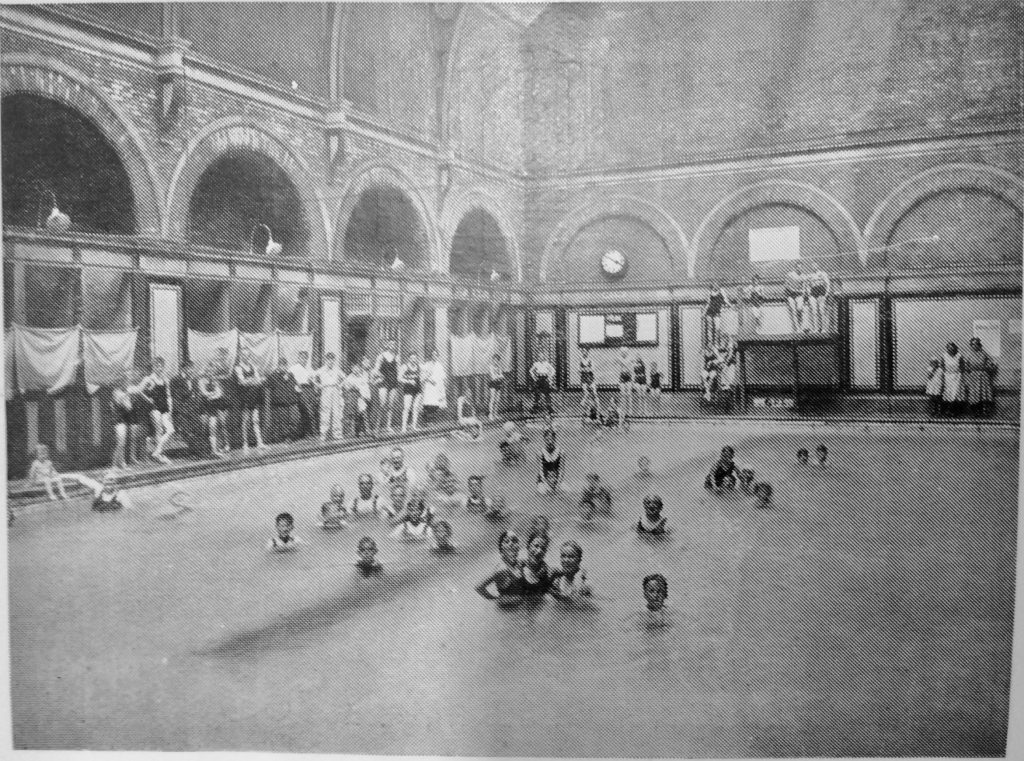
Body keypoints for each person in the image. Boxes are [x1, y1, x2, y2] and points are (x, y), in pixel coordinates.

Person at [141, 357, 175, 464]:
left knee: (170, 430)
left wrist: (170, 410)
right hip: (155, 408)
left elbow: (169, 396)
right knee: (158, 431)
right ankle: (159, 454)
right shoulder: (149, 379)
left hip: (164, 408)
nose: (159, 368)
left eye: (161, 366)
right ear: (154, 367)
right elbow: (139, 390)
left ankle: (157, 451)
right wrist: (148, 399)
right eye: (157, 366)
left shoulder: (165, 380)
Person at [475, 531, 524, 602]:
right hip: (509, 610)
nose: (511, 544)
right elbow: (479, 587)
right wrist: (496, 600)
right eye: (506, 541)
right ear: (501, 549)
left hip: (518, 608)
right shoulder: (502, 569)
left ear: (519, 546)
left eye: (514, 540)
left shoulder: (520, 563)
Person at [234, 349, 267, 454]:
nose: (246, 357)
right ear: (241, 356)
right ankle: (245, 443)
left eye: (248, 355)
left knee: (256, 420)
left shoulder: (253, 367)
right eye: (244, 355)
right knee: (246, 421)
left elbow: (259, 381)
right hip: (244, 397)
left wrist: (252, 380)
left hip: (254, 396)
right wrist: (254, 380)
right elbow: (242, 382)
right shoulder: (238, 367)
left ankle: (260, 442)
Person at [170, 360, 205, 457]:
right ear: (183, 369)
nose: (191, 371)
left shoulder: (194, 380)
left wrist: (197, 407)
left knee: (198, 429)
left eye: (192, 368)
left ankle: (198, 452)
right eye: (189, 369)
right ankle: (193, 452)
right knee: (187, 431)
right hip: (182, 411)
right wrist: (180, 412)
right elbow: (176, 398)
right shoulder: (175, 380)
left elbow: (197, 394)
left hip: (194, 409)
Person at [197, 359, 230, 458]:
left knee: (213, 427)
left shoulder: (215, 381)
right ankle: (204, 450)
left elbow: (219, 393)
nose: (211, 373)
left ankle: (214, 450)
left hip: (212, 407)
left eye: (212, 371)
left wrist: (211, 395)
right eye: (209, 371)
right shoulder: (201, 380)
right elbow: (204, 393)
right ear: (206, 371)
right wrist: (212, 394)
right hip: (203, 407)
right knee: (203, 428)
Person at [266, 357, 300, 443]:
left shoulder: (290, 375)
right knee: (284, 420)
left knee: (295, 418)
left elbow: (296, 384)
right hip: (281, 402)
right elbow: (267, 384)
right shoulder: (273, 376)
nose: (284, 367)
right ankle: (286, 437)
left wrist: (297, 388)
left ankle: (292, 435)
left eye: (285, 365)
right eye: (281, 365)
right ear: (278, 366)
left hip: (292, 400)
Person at [314, 352, 344, 443]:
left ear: (334, 360)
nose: (330, 361)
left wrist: (340, 385)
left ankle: (337, 433)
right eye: (328, 359)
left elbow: (344, 378)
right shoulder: (321, 370)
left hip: (335, 390)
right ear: (326, 360)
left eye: (332, 359)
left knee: (336, 412)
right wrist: (318, 385)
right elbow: (311, 377)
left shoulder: (337, 369)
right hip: (326, 390)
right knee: (325, 411)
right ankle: (323, 433)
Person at [372, 339, 401, 434]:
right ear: (387, 345)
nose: (392, 346)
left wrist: (400, 379)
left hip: (393, 383)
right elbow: (376, 369)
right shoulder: (381, 356)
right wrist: (379, 376)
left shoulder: (396, 357)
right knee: (382, 404)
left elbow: (398, 371)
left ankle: (388, 426)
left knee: (391, 405)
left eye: (394, 344)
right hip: (384, 382)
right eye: (391, 344)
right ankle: (377, 426)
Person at [963, 337, 997, 417]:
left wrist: (988, 367)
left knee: (983, 392)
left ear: (979, 345)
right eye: (973, 344)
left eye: (977, 344)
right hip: (973, 376)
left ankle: (984, 410)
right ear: (971, 345)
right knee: (975, 393)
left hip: (983, 375)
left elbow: (991, 362)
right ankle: (975, 411)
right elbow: (965, 365)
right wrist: (969, 370)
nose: (975, 346)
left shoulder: (984, 353)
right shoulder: (968, 354)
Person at [289, 350, 318, 439]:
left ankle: (308, 433)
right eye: (302, 358)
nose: (304, 360)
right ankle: (304, 434)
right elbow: (290, 379)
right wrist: (296, 387)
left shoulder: (309, 368)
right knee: (305, 411)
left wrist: (313, 381)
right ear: (298, 358)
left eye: (305, 358)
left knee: (311, 411)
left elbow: (314, 378)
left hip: (310, 389)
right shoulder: (294, 368)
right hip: (301, 390)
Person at [342, 361, 371, 438]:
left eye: (357, 368)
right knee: (353, 414)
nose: (356, 370)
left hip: (361, 397)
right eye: (354, 368)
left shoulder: (362, 376)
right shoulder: (349, 377)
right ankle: (353, 432)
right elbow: (346, 387)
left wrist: (366, 396)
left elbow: (365, 386)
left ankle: (366, 431)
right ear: (352, 369)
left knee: (363, 413)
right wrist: (352, 387)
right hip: (352, 397)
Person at [518, 531, 551, 596]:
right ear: (528, 547)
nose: (539, 551)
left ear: (545, 552)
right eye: (536, 546)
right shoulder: (518, 569)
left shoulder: (547, 575)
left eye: (543, 548)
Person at [420, 348, 448, 425]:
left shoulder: (440, 365)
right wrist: (429, 380)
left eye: (436, 355)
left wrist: (443, 388)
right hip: (429, 385)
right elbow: (422, 375)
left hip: (436, 386)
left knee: (435, 403)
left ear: (437, 356)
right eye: (433, 355)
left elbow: (443, 377)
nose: (434, 356)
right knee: (428, 402)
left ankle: (432, 420)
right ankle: (426, 421)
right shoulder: (427, 364)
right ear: (431, 356)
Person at [399, 351, 423, 433]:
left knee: (415, 407)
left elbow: (423, 375)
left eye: (415, 358)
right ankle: (404, 427)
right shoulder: (405, 367)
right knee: (407, 407)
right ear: (408, 359)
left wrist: (424, 377)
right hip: (408, 388)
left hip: (417, 389)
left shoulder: (419, 366)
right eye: (412, 358)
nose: (413, 360)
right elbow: (399, 378)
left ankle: (414, 426)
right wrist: (409, 381)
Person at [940, 342, 966, 416]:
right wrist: (945, 373)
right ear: (947, 348)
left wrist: (959, 373)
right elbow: (942, 366)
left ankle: (956, 411)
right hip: (947, 376)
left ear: (955, 348)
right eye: (949, 348)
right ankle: (948, 410)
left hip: (957, 376)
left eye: (952, 348)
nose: (951, 349)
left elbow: (962, 366)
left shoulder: (959, 356)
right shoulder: (944, 356)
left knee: (956, 392)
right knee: (948, 392)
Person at [703, 280, 731, 346]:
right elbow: (708, 303)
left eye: (717, 285)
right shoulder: (710, 292)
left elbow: (725, 300)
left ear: (719, 285)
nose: (715, 286)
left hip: (717, 311)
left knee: (717, 328)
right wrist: (704, 312)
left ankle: (717, 342)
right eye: (714, 285)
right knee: (709, 328)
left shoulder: (721, 291)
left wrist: (730, 305)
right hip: (709, 311)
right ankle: (710, 343)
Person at [806, 261, 831, 333]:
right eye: (812, 265)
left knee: (821, 310)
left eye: (815, 265)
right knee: (814, 311)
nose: (814, 267)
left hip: (821, 292)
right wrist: (809, 293)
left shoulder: (823, 274)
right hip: (813, 293)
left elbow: (827, 283)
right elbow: (807, 285)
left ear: (818, 266)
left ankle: (823, 328)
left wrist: (827, 293)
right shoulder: (809, 275)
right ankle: (815, 329)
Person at [536, 430, 564, 495]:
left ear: (555, 439)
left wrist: (558, 484)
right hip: (543, 481)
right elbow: (540, 472)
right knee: (544, 493)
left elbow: (562, 471)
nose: (550, 442)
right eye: (547, 439)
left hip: (556, 480)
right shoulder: (540, 453)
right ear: (544, 439)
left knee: (566, 492)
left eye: (552, 439)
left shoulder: (561, 452)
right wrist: (546, 485)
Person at [529, 348, 555, 415]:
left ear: (544, 356)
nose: (541, 357)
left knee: (547, 394)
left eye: (542, 356)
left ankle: (550, 408)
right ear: (538, 357)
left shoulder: (547, 363)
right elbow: (531, 371)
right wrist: (534, 377)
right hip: (538, 379)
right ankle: (535, 408)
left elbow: (553, 370)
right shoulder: (536, 364)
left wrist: (549, 377)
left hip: (545, 379)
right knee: (537, 394)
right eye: (539, 356)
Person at [783, 261, 807, 333]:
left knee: (799, 309)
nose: (799, 269)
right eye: (798, 267)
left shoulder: (803, 276)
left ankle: (801, 326)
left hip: (799, 295)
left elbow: (804, 287)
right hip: (791, 295)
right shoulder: (790, 274)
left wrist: (803, 291)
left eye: (801, 267)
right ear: (795, 267)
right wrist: (792, 289)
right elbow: (786, 285)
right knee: (793, 311)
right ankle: (797, 329)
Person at [487, 353, 505, 421]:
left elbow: (502, 376)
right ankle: (490, 414)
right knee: (493, 399)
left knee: (497, 400)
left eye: (497, 360)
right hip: (492, 384)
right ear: (492, 360)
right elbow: (493, 377)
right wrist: (498, 376)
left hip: (498, 384)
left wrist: (498, 376)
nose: (496, 362)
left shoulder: (499, 367)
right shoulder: (490, 367)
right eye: (495, 360)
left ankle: (495, 414)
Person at [615, 347, 633, 416]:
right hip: (622, 376)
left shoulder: (630, 358)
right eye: (622, 352)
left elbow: (630, 368)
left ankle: (630, 410)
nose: (623, 353)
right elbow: (615, 363)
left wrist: (622, 362)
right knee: (622, 394)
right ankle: (623, 410)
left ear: (627, 352)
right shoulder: (620, 358)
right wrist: (619, 361)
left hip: (628, 376)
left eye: (625, 352)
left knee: (629, 393)